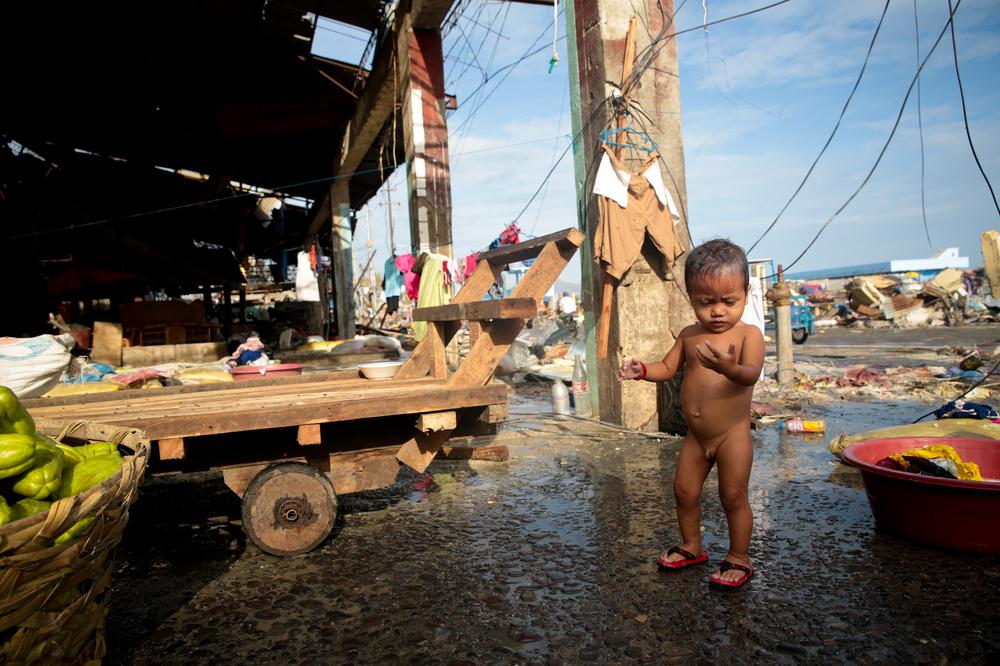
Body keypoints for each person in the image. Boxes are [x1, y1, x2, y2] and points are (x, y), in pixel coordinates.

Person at [618, 239, 764, 589]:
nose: (718, 311)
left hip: (732, 436)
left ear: (746, 294)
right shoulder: (689, 335)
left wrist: (729, 367)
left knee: (733, 496)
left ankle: (738, 558)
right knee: (683, 491)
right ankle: (691, 546)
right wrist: (643, 370)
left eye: (729, 301)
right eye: (706, 302)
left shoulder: (749, 335)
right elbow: (668, 368)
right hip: (696, 437)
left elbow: (750, 374)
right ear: (690, 297)